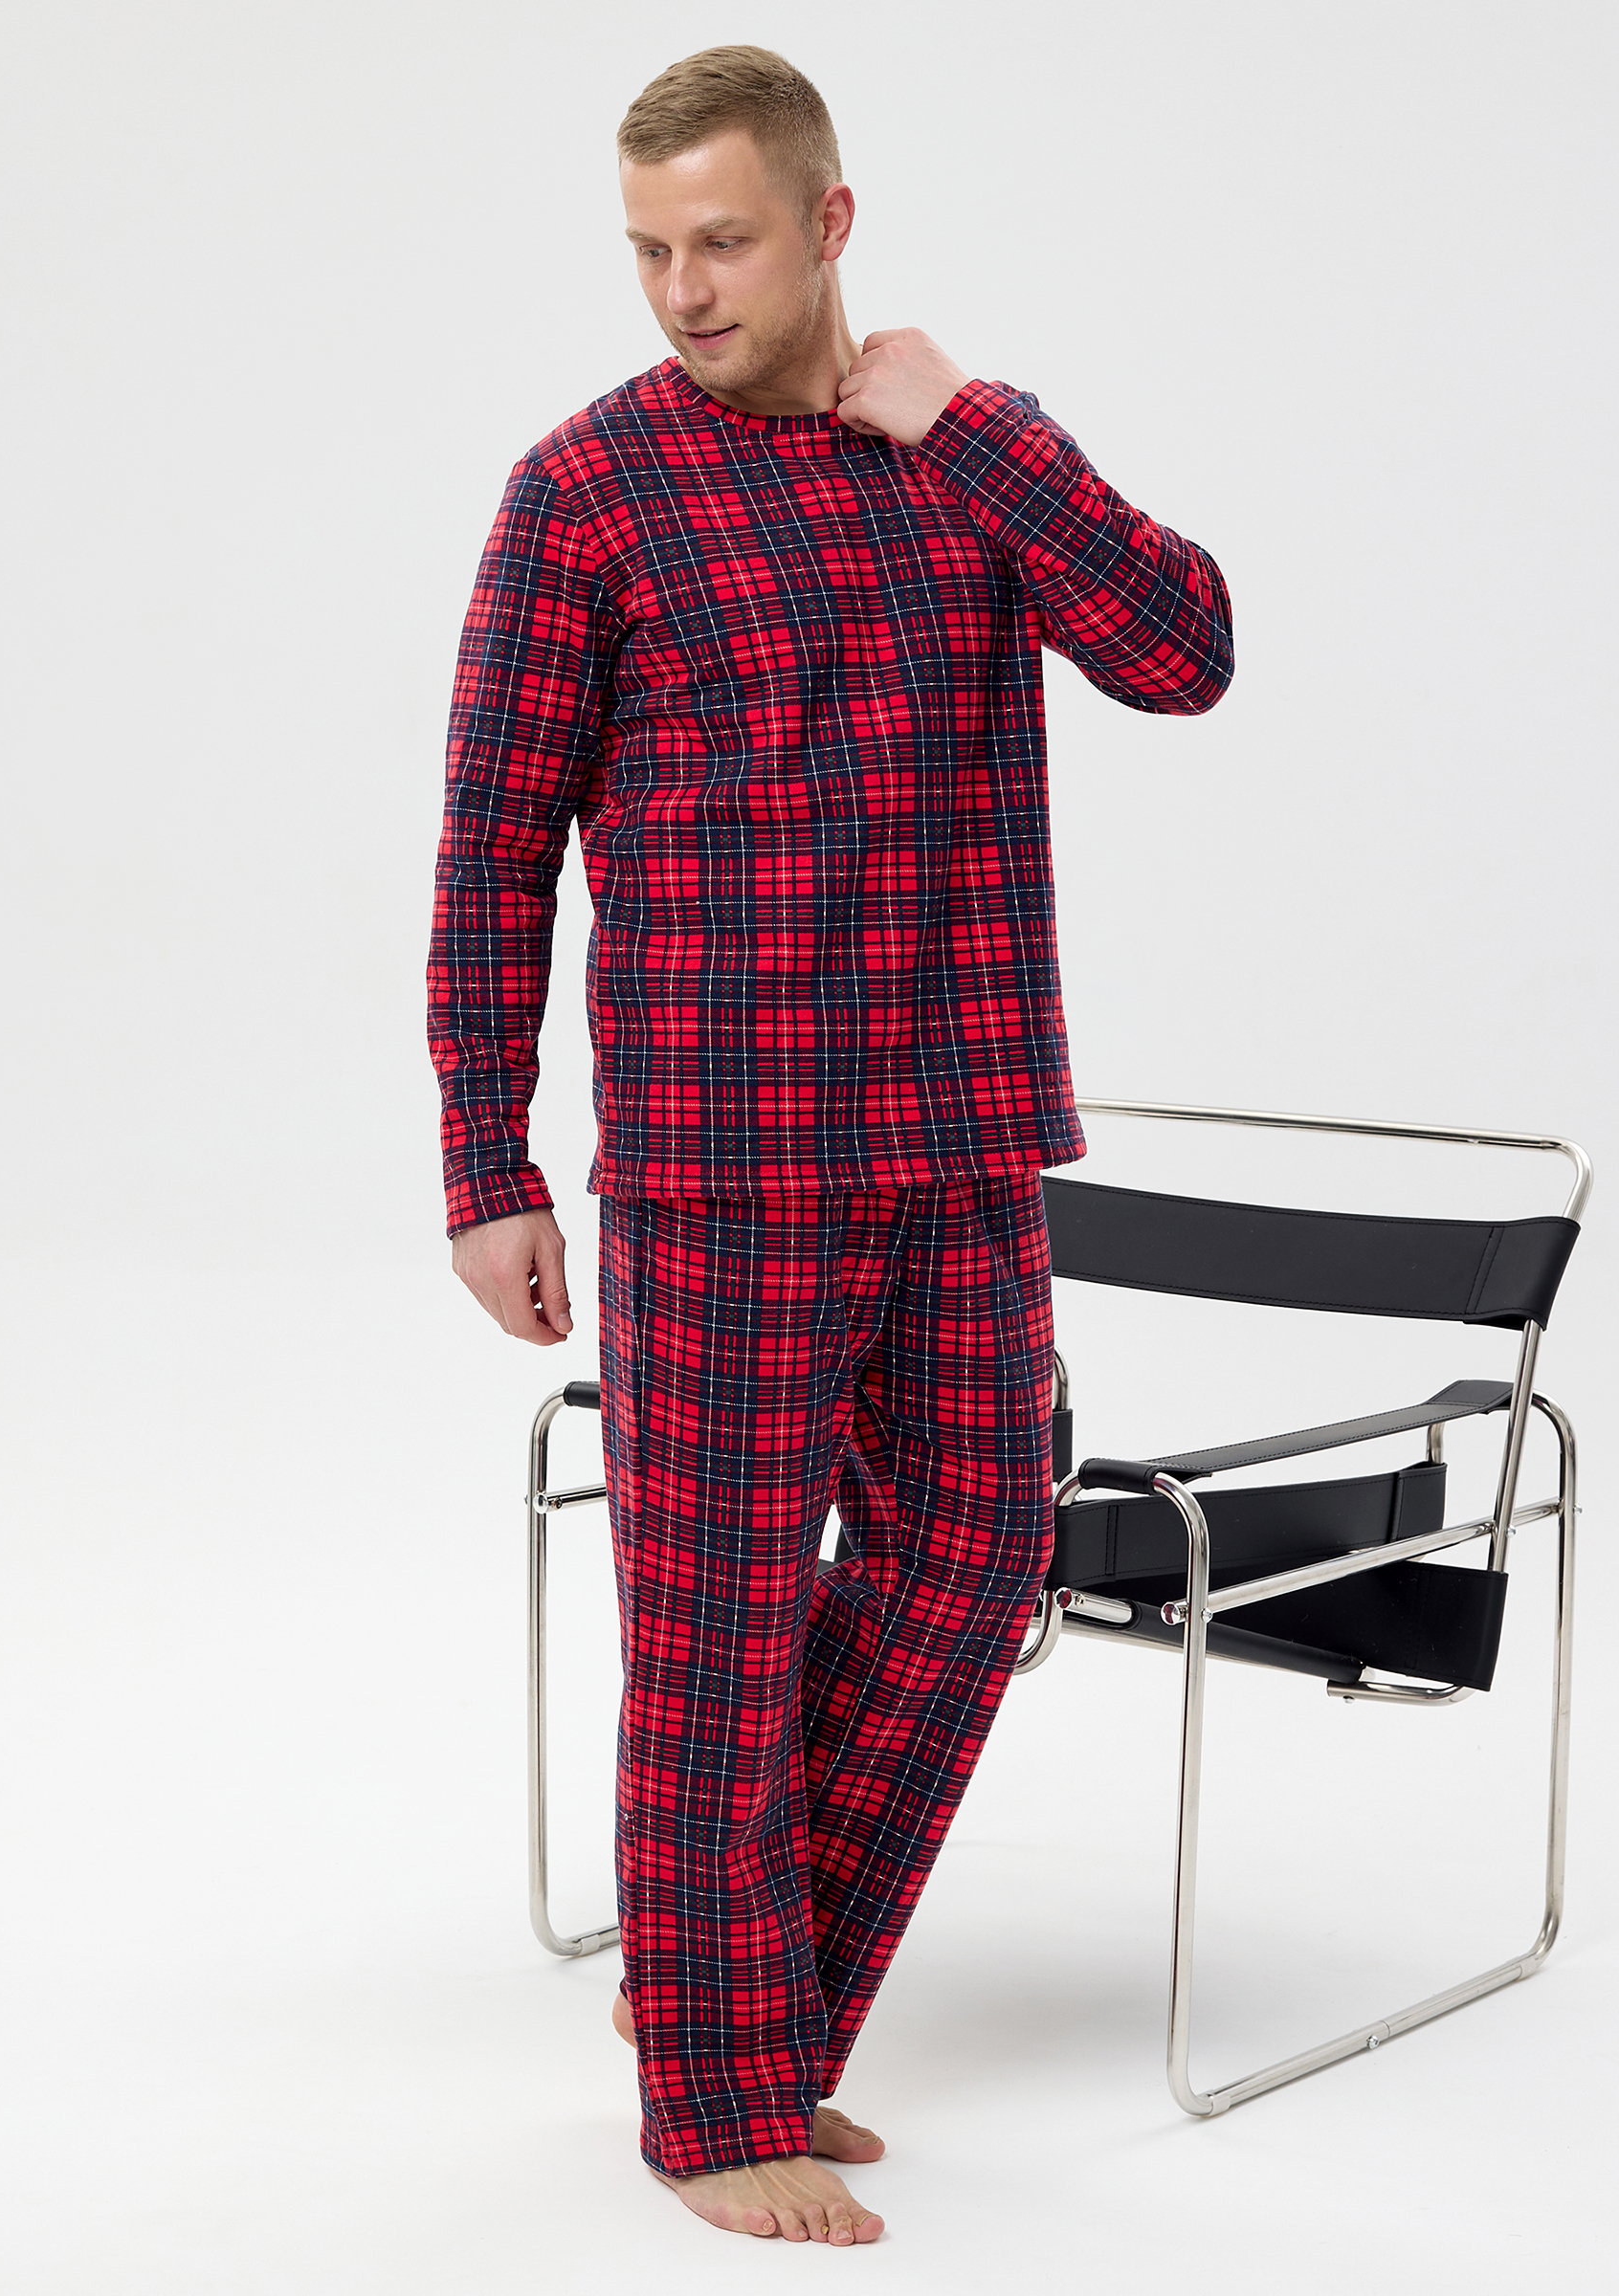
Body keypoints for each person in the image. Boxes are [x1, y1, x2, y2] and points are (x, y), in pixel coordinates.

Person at [430, 44, 1232, 2247]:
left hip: (964, 1138)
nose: (683, 287)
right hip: (722, 1159)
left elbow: (1184, 654)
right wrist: (486, 1157)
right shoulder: (585, 491)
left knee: (975, 1561)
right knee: (713, 1630)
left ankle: (734, 2000)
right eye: (649, 249)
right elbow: (493, 845)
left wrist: (978, 430)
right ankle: (720, 2099)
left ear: (830, 222)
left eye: (723, 240)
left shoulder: (968, 457)